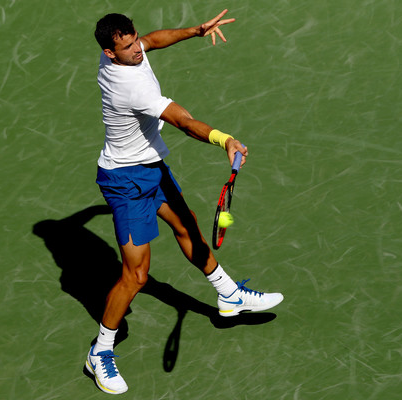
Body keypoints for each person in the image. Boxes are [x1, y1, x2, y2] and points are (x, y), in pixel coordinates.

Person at [86, 9, 284, 395]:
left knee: (186, 224)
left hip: (150, 167)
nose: (136, 51)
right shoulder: (130, 88)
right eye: (127, 49)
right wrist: (224, 139)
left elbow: (154, 40)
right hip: (125, 182)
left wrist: (196, 31)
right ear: (110, 54)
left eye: (134, 40)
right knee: (136, 276)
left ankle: (229, 295)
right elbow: (183, 121)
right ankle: (100, 351)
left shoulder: (125, 48)